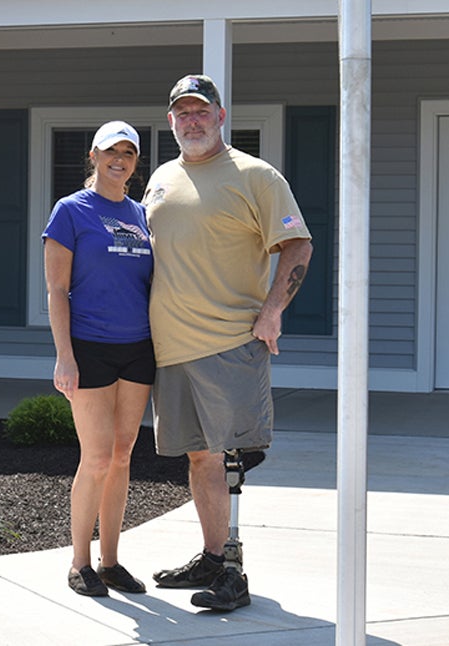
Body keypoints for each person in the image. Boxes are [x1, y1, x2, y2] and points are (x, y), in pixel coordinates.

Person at [143, 74, 313, 611]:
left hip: (228, 344)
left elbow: (298, 245)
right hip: (169, 349)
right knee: (199, 459)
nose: (192, 121)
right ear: (171, 121)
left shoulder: (255, 175)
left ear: (220, 116)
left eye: (201, 111)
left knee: (231, 459)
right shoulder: (162, 178)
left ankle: (233, 574)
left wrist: (272, 312)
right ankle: (213, 556)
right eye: (182, 114)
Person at [42, 120, 155, 597]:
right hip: (89, 348)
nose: (120, 159)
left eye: (128, 152)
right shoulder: (71, 211)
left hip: (139, 348)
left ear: (135, 161)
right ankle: (79, 563)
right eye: (112, 150)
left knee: (124, 455)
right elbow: (56, 289)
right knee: (97, 457)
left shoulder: (144, 214)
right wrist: (64, 357)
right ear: (93, 155)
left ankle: (110, 561)